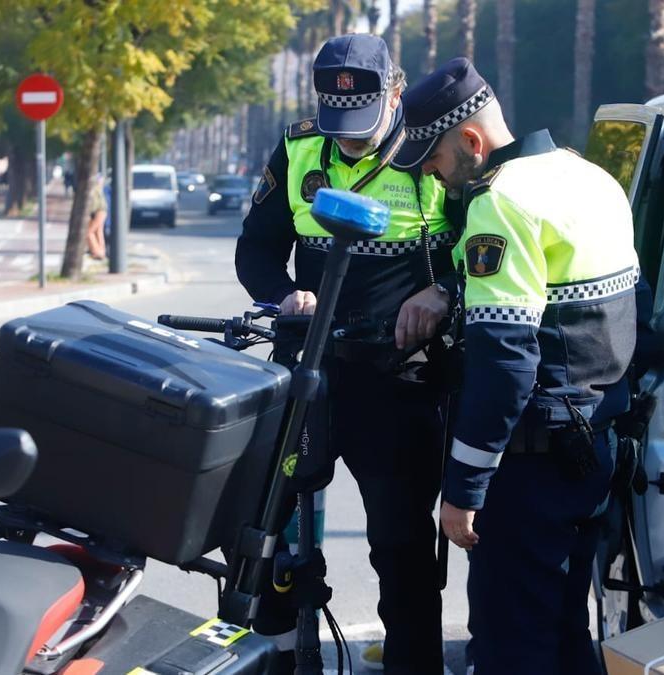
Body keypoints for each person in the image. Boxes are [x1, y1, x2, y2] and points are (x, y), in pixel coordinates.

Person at [393, 58, 638, 674]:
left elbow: (505, 364)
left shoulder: (500, 202)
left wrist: (464, 488)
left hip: (529, 467)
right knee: (564, 630)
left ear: (471, 142)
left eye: (433, 158)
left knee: (510, 646)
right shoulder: (590, 178)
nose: (429, 172)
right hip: (593, 448)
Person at [234, 34, 458, 674]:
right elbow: (255, 250)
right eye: (339, 123)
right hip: (308, 368)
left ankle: (413, 666)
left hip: (397, 382)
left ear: (394, 91)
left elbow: (482, 249)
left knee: (400, 543)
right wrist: (285, 293)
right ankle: (273, 655)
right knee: (266, 531)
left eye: (362, 121)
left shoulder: (432, 147)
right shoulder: (302, 142)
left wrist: (442, 292)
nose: (348, 138)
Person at [86, 173, 107, 261]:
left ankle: (96, 252)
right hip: (102, 211)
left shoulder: (94, 190)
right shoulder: (99, 189)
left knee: (89, 232)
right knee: (98, 232)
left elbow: (94, 204)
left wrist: (89, 212)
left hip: (98, 212)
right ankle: (101, 252)